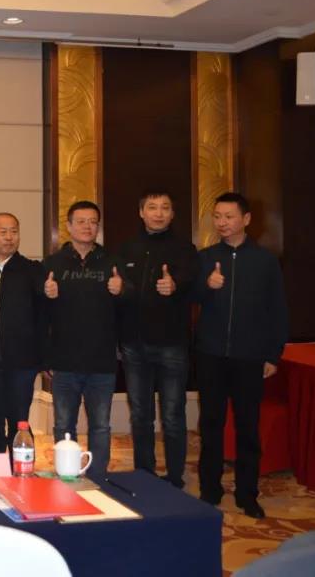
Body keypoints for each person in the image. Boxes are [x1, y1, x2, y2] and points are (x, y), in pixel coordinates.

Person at [195, 192, 288, 519]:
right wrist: (207, 285)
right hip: (211, 354)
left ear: (246, 219)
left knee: (248, 427)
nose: (221, 222)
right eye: (217, 216)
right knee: (211, 424)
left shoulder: (265, 261)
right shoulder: (206, 257)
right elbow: (190, 297)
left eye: (229, 216)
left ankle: (248, 494)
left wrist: (273, 354)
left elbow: (277, 310)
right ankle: (210, 489)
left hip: (250, 356)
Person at [116, 190, 198, 489]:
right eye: (152, 207)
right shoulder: (126, 249)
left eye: (165, 208)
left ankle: (175, 478)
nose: (159, 213)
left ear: (172, 214)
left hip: (172, 344)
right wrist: (120, 290)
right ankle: (144, 474)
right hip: (134, 344)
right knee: (141, 415)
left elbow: (193, 285)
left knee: (173, 414)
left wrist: (175, 286)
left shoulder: (185, 249)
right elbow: (121, 293)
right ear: (141, 212)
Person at [42, 200, 128, 480]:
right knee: (63, 425)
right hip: (64, 361)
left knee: (100, 427)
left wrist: (122, 289)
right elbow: (40, 315)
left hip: (101, 361)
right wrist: (47, 295)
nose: (87, 227)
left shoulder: (112, 262)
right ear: (68, 226)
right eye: (81, 221)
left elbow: (130, 306)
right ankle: (66, 476)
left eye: (93, 222)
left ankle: (98, 479)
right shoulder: (52, 264)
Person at [0, 212, 46, 456]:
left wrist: (43, 358)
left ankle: (21, 473)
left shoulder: (34, 271)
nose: (9, 237)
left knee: (19, 421)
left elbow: (44, 317)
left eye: (14, 231)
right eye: (3, 232)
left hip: (23, 363)